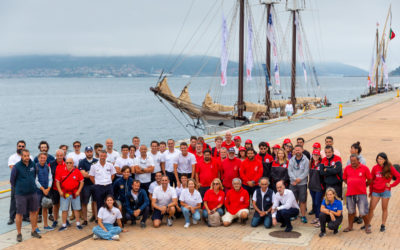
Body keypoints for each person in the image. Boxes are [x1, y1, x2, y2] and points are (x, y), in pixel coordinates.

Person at [10, 149, 41, 242]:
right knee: (19, 214)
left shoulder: (33, 165)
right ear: (21, 156)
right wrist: (21, 187)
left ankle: (33, 231)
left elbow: (35, 175)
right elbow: (12, 181)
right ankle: (19, 233)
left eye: (28, 155)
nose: (27, 158)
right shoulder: (16, 167)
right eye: (25, 156)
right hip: (21, 194)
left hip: (32, 192)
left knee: (34, 212)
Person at [366, 153, 400, 232]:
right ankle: (368, 224)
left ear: (385, 160)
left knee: (384, 208)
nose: (379, 160)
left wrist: (391, 185)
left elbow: (399, 176)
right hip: (376, 191)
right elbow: (371, 180)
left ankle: (383, 225)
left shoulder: (390, 167)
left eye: (381, 159)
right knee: (371, 208)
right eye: (378, 158)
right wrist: (371, 191)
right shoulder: (375, 168)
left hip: (385, 191)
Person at [342, 154, 372, 233]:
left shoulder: (364, 168)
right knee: (351, 211)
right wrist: (350, 183)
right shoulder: (347, 168)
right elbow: (344, 179)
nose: (353, 162)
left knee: (363, 211)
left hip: (361, 193)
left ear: (358, 160)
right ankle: (350, 226)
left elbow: (370, 179)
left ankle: (367, 227)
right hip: (350, 193)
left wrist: (365, 185)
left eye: (354, 161)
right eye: (351, 161)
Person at [56, 157, 84, 231]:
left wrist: (79, 191)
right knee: (64, 209)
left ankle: (78, 224)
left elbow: (81, 182)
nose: (68, 164)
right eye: (67, 163)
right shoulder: (61, 171)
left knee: (76, 209)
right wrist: (60, 191)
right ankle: (64, 225)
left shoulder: (77, 171)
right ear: (65, 163)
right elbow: (57, 182)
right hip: (65, 193)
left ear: (73, 163)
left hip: (75, 193)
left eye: (70, 163)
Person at [8, 140, 32, 225]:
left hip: (26, 183)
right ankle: (11, 217)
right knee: (14, 200)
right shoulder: (12, 157)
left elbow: (31, 169)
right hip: (16, 183)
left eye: (23, 146)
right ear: (17, 147)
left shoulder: (30, 157)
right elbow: (13, 169)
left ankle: (25, 216)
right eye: (19, 146)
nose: (21, 147)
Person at [345, 141, 366, 225]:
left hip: (359, 185)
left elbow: (362, 171)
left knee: (360, 201)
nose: (350, 150)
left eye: (352, 148)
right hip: (351, 185)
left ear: (356, 150)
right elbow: (347, 170)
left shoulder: (362, 160)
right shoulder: (349, 159)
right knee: (353, 201)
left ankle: (361, 217)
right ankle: (355, 216)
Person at [288, 144, 309, 223]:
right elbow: (289, 171)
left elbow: (306, 171)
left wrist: (299, 179)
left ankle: (303, 216)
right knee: (294, 200)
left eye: (299, 150)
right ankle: (294, 214)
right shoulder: (291, 160)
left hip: (302, 184)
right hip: (293, 183)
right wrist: (295, 179)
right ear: (294, 151)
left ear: (302, 150)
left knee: (302, 201)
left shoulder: (306, 160)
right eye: (296, 150)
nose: (297, 151)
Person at [78, 146, 98, 225]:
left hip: (95, 184)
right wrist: (92, 173)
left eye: (90, 151)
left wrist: (88, 173)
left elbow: (99, 173)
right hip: (86, 185)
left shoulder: (97, 161)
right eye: (87, 151)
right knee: (84, 203)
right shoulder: (82, 162)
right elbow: (83, 174)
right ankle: (85, 220)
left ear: (92, 152)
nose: (89, 153)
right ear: (85, 152)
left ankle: (97, 218)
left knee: (96, 202)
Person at [35, 152, 53, 231]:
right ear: (38, 158)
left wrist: (48, 188)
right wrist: (43, 189)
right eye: (41, 158)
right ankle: (35, 227)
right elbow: (35, 180)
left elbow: (50, 178)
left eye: (44, 158)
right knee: (37, 209)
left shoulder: (48, 167)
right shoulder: (35, 167)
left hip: (46, 190)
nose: (42, 159)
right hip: (38, 191)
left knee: (45, 208)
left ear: (46, 158)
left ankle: (46, 225)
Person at [49, 149, 65, 228]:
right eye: (58, 155)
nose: (59, 157)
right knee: (55, 205)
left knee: (65, 205)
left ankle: (65, 220)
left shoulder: (67, 163)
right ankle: (55, 220)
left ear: (63, 155)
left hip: (65, 189)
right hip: (54, 189)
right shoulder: (51, 164)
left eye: (61, 155)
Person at [308, 149, 324, 226]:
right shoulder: (311, 163)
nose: (315, 156)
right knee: (315, 203)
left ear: (319, 156)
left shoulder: (321, 164)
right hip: (312, 187)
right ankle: (317, 217)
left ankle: (321, 220)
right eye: (314, 155)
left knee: (318, 203)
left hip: (319, 187)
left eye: (317, 155)